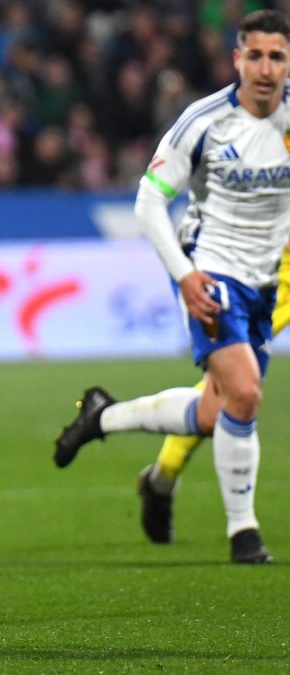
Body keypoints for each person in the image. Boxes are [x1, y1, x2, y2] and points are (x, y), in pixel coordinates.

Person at [54, 9, 290, 564]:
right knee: (248, 393)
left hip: (265, 279)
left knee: (217, 411)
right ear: (237, 59)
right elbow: (149, 200)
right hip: (211, 270)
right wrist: (185, 275)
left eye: (276, 56)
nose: (264, 66)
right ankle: (243, 533)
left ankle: (102, 417)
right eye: (253, 54)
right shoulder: (203, 121)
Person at [136, 246, 289, 544]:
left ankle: (160, 478)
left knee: (236, 386)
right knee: (235, 387)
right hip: (266, 260)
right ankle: (163, 475)